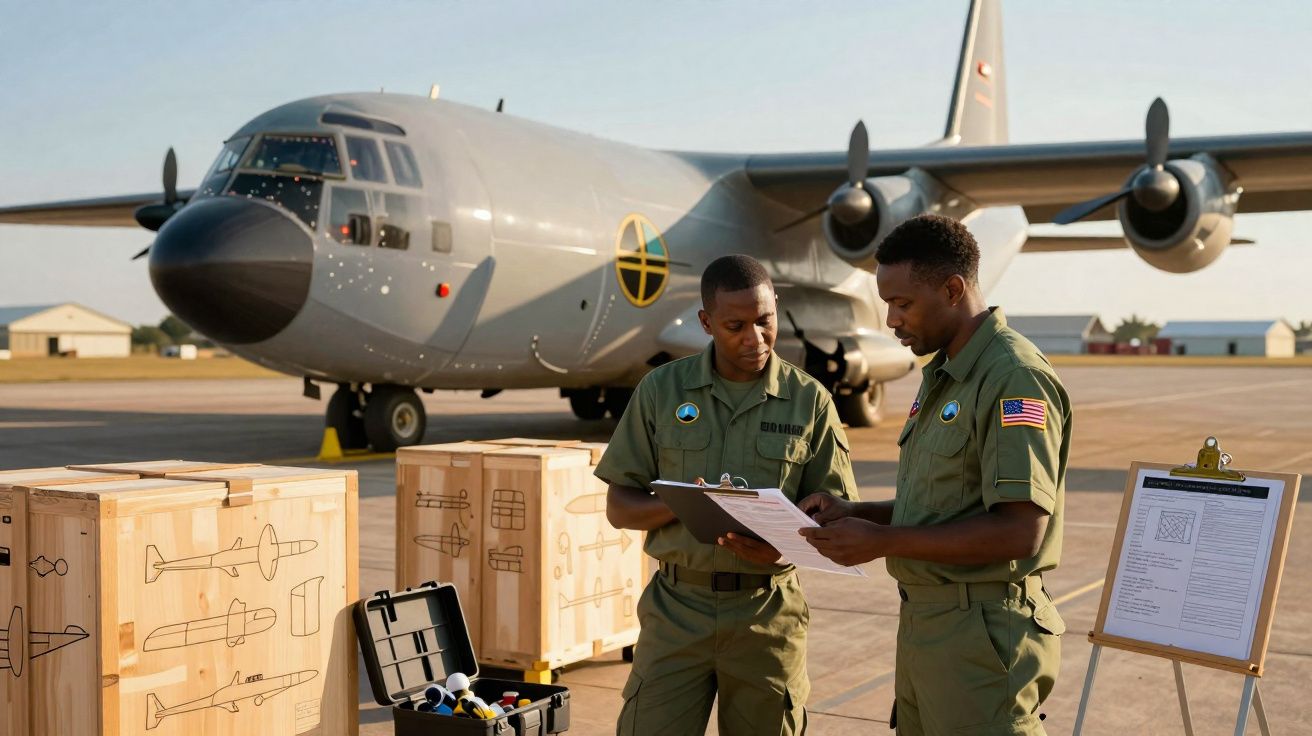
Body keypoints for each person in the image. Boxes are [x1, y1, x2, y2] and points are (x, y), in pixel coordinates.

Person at [799, 214, 1070, 735]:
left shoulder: (1013, 377)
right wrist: (858, 513)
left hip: (984, 633)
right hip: (929, 626)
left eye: (902, 303)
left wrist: (881, 541)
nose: (891, 320)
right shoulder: (945, 374)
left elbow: (1020, 531)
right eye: (887, 304)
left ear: (952, 290)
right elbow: (943, 506)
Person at [597, 253, 858, 735]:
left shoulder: (810, 401)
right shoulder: (661, 391)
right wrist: (685, 503)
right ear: (706, 322)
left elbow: (838, 521)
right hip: (676, 612)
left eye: (765, 321)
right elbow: (620, 508)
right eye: (735, 326)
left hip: (767, 616)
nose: (754, 338)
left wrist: (783, 549)